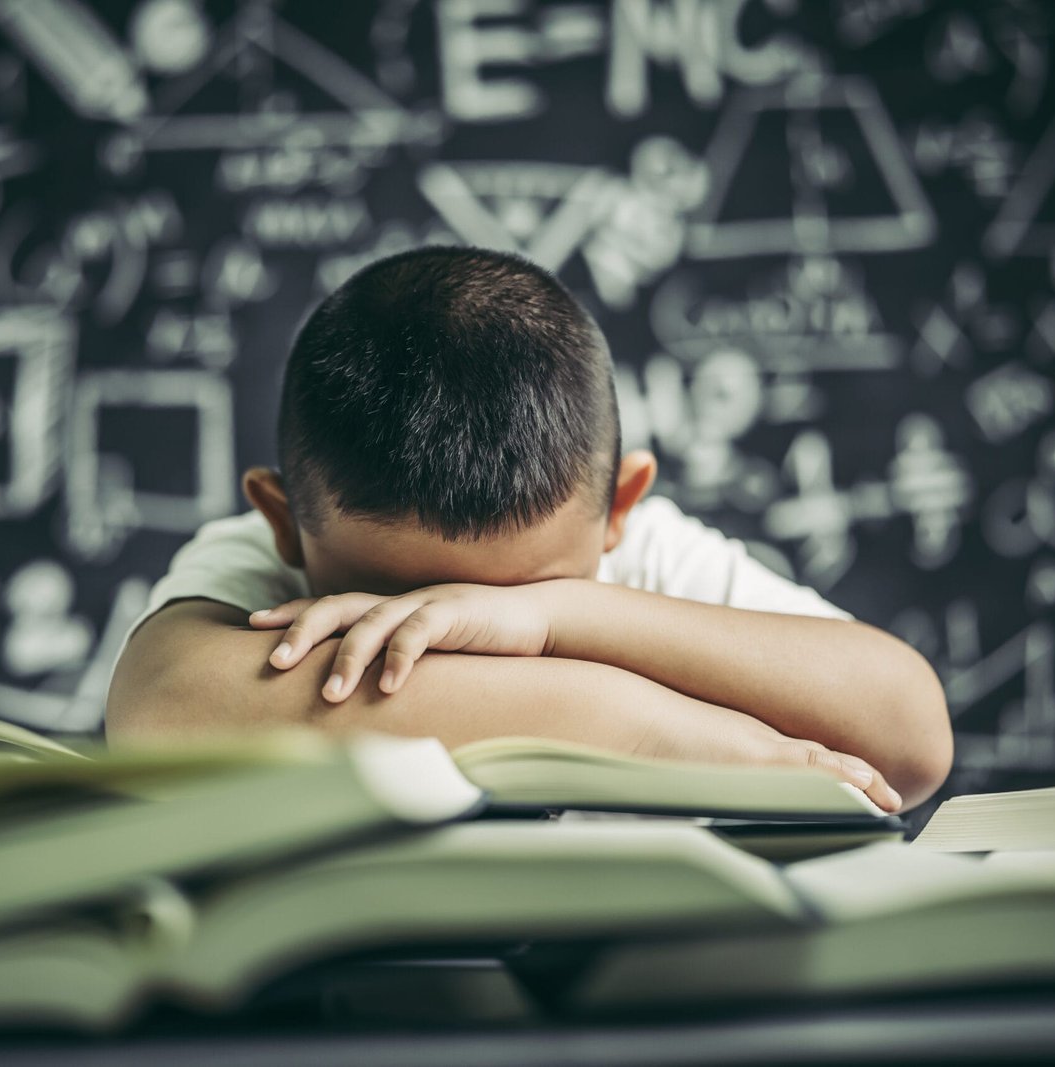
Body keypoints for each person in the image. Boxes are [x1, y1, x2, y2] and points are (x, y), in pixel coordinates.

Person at [105, 246, 952, 812]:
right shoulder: (253, 569)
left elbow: (911, 740)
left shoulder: (652, 556)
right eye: (396, 610)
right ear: (284, 524)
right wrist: (643, 727)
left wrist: (558, 621)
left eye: (512, 596)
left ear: (621, 507)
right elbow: (161, 705)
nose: (457, 637)